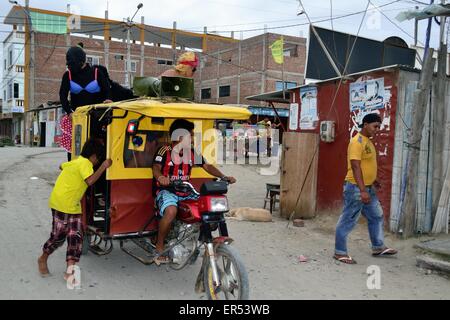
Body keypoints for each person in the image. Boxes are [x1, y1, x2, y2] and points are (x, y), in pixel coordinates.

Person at [152, 119, 236, 265]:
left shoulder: (192, 152)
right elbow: (155, 167)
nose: (192, 138)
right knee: (171, 211)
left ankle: (202, 239)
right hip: (167, 190)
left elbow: (208, 167)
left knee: (209, 206)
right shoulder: (165, 150)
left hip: (186, 191)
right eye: (190, 135)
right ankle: (159, 246)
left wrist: (223, 176)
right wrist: (161, 177)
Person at [38, 139, 112, 282]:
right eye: (98, 159)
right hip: (61, 204)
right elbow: (89, 181)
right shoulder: (85, 163)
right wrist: (103, 167)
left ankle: (70, 271)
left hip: (72, 204)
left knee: (75, 237)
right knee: (57, 237)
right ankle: (42, 258)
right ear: (94, 156)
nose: (97, 162)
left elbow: (61, 166)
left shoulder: (76, 161)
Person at [334, 113, 397, 264]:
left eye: (379, 126)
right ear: (366, 124)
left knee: (376, 216)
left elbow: (365, 164)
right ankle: (339, 252)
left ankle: (378, 246)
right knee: (348, 219)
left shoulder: (368, 141)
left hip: (367, 187)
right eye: (375, 126)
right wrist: (362, 190)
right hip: (356, 188)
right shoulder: (356, 142)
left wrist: (373, 179)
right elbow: (355, 166)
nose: (377, 129)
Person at [59, 45, 113, 161]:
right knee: (76, 149)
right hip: (77, 118)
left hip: (97, 119)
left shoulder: (96, 73)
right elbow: (62, 96)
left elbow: (107, 89)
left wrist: (108, 99)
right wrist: (69, 112)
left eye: (73, 64)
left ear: (82, 61)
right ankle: (74, 173)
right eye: (69, 64)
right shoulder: (67, 75)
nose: (71, 67)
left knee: (95, 149)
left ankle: (96, 175)